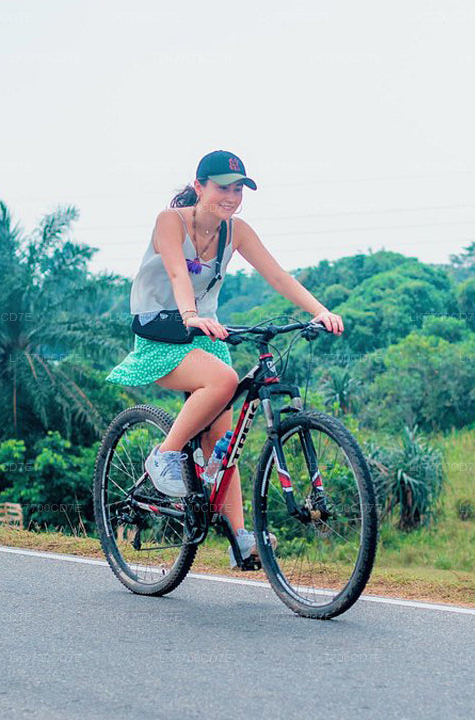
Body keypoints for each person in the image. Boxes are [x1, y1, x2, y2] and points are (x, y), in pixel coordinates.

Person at [106, 150, 344, 567]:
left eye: (238, 189)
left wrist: (318, 310)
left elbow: (277, 275)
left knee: (224, 440)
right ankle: (164, 454)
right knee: (224, 381)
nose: (231, 197)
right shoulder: (170, 222)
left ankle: (240, 538)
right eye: (222, 188)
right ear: (199, 187)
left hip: (203, 332)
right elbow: (179, 274)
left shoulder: (236, 231)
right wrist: (191, 316)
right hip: (162, 330)